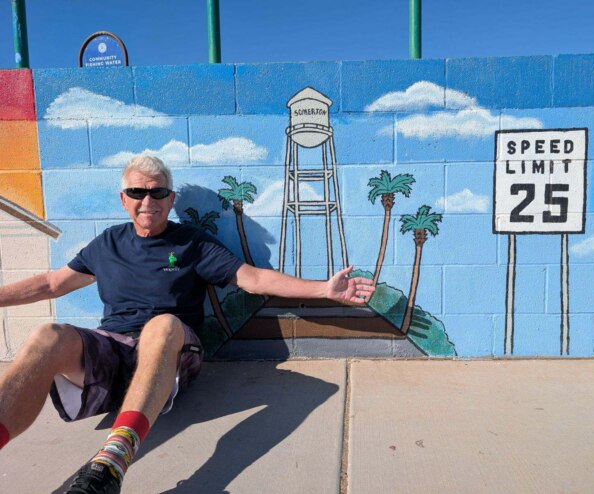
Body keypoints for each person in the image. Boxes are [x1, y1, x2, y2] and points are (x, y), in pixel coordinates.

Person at [0, 155, 375, 493]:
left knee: (162, 325)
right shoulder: (108, 242)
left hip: (173, 351)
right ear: (124, 199)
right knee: (47, 335)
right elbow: (51, 284)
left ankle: (110, 466)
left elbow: (252, 279)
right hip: (113, 349)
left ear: (171, 199)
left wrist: (323, 289)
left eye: (158, 192)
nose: (148, 201)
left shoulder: (192, 243)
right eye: (137, 192)